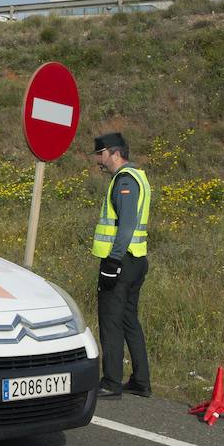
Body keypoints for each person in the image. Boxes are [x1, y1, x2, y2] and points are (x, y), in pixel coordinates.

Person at [91, 132, 151, 400]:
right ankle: (141, 381)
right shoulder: (137, 177)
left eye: (100, 154)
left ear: (114, 153)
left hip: (121, 261)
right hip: (136, 259)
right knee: (128, 320)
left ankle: (111, 382)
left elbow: (126, 226)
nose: (98, 160)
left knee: (110, 320)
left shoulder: (125, 181)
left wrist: (113, 261)